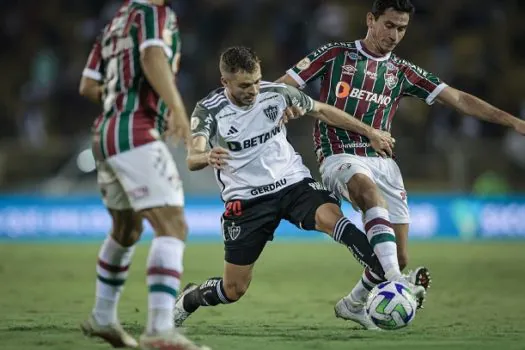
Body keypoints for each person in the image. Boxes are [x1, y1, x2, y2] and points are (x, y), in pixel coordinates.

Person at [277, 0, 525, 329]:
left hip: (384, 162)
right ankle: (398, 282)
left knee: (396, 254)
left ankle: (354, 303)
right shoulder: (335, 55)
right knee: (369, 197)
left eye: (402, 28)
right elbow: (282, 84)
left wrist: (513, 121)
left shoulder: (403, 72)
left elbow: (461, 99)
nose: (395, 35)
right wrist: (283, 103)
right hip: (339, 154)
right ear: (371, 19)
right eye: (389, 25)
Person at [172, 46, 426, 329]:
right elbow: (192, 157)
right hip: (247, 201)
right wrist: (206, 156)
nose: (254, 90)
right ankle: (190, 299)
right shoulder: (209, 110)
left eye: (256, 81)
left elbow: (323, 111)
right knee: (234, 290)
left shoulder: (276, 93)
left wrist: (370, 132)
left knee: (334, 219)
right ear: (225, 82)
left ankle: (392, 278)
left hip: (293, 184)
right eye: (245, 85)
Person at [78, 1, 209, 349]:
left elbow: (88, 87)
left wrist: (122, 96)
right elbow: (153, 58)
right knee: (173, 225)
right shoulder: (154, 14)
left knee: (126, 229)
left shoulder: (113, 25)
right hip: (134, 132)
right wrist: (177, 110)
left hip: (105, 132)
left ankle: (103, 317)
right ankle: (159, 329)